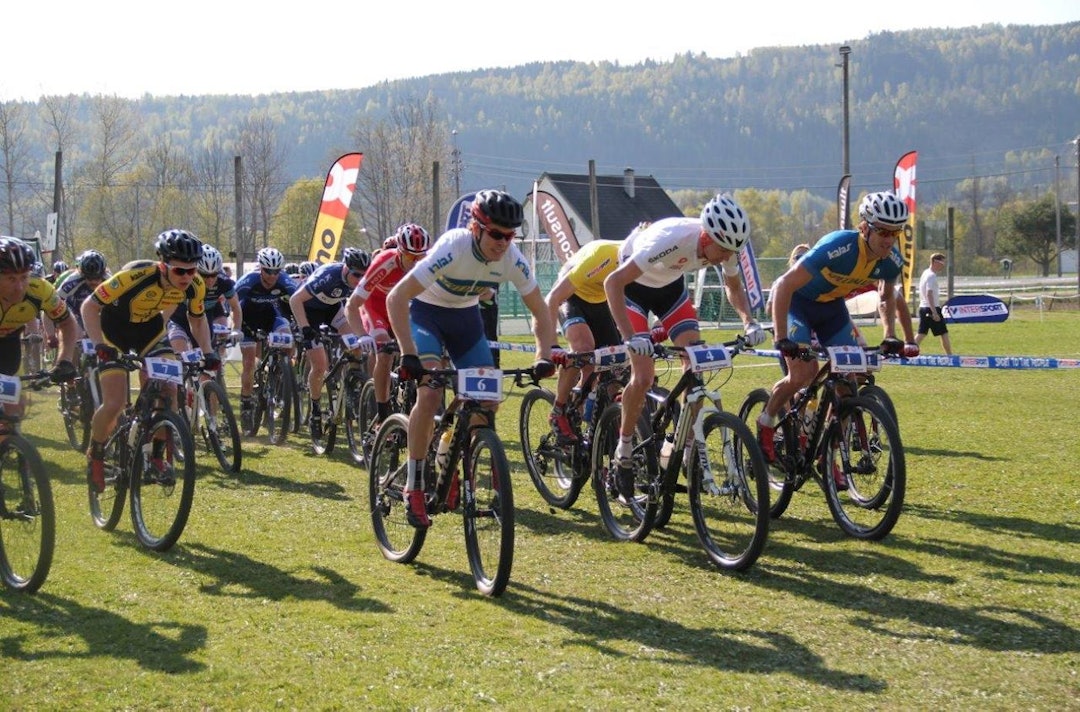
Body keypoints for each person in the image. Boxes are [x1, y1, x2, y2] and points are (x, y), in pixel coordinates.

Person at [386, 189, 557, 528]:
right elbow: (396, 297)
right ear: (476, 228)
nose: (503, 243)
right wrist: (407, 353)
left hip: (466, 321)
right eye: (496, 234)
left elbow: (541, 309)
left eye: (509, 236)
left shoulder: (512, 259)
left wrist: (544, 353)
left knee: (487, 403)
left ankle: (449, 452)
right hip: (427, 316)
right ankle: (414, 484)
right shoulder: (454, 246)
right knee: (430, 393)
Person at [603, 194, 764, 499]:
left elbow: (733, 286)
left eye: (731, 252)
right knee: (644, 376)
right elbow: (613, 283)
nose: (725, 257)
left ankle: (685, 449)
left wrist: (749, 322)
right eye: (722, 250)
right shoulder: (671, 239)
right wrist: (630, 336)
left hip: (670, 290)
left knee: (696, 368)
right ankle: (623, 450)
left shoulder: (727, 245)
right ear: (706, 236)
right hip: (632, 289)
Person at [756, 191, 919, 482]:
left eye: (895, 233)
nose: (889, 240)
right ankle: (766, 422)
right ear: (865, 228)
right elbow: (783, 285)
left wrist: (891, 335)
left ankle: (827, 455)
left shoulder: (892, 259)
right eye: (883, 231)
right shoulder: (839, 246)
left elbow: (887, 297)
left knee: (849, 384)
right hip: (798, 305)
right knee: (802, 375)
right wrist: (781, 337)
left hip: (832, 311)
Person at [82, 229, 218, 492]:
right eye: (179, 271)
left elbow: (198, 319)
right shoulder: (135, 276)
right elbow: (90, 306)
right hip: (114, 333)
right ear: (163, 265)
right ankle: (95, 453)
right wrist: (99, 345)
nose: (186, 277)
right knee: (115, 403)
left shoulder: (195, 285)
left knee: (169, 390)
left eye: (192, 270)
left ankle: (156, 456)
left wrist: (208, 351)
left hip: (150, 333)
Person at [344, 223, 431, 426]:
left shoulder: (427, 264)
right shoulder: (385, 262)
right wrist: (362, 335)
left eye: (420, 256)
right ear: (399, 251)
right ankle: (382, 414)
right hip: (375, 307)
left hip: (401, 308)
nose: (415, 262)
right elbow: (352, 305)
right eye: (409, 256)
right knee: (385, 352)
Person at [543, 239, 625, 443]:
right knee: (584, 350)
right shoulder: (603, 255)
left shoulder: (644, 263)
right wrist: (553, 345)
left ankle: (597, 417)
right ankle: (559, 410)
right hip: (571, 297)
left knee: (615, 364)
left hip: (600, 301)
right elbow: (552, 299)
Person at [288, 247, 369, 439]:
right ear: (346, 268)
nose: (360, 280)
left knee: (356, 345)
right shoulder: (328, 276)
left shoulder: (359, 280)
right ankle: (315, 410)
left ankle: (352, 384)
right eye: (356, 275)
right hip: (308, 312)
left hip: (333, 310)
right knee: (320, 365)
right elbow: (295, 300)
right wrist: (305, 329)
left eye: (363, 276)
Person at [0, 238, 77, 418]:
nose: (19, 287)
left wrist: (64, 360)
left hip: (8, 342)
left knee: (14, 411)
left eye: (24, 277)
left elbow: (67, 323)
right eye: (11, 279)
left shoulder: (40, 289)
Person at [235, 247, 298, 433]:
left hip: (272, 317)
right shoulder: (249, 281)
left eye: (276, 271)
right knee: (249, 363)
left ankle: (279, 373)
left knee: (288, 340)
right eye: (268, 271)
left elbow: (299, 300)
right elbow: (231, 305)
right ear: (260, 268)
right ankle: (246, 404)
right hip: (247, 319)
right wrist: (237, 328)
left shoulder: (285, 280)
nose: (272, 276)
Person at [168, 244, 242, 361]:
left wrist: (236, 329)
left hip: (204, 320)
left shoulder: (224, 282)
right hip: (179, 319)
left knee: (208, 359)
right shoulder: (186, 280)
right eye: (205, 275)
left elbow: (236, 306)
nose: (210, 280)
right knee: (181, 358)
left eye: (214, 275)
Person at [55, 249, 110, 338]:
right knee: (77, 334)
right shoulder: (73, 280)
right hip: (74, 310)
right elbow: (55, 301)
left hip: (98, 311)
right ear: (82, 274)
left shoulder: (109, 280)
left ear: (103, 273)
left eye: (97, 278)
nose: (93, 282)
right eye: (89, 278)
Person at [915, 252, 952, 354]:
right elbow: (929, 294)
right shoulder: (931, 276)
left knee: (922, 333)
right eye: (942, 263)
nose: (943, 266)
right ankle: (950, 356)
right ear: (935, 262)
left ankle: (907, 351)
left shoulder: (925, 273)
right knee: (944, 333)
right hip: (931, 308)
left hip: (924, 307)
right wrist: (934, 312)